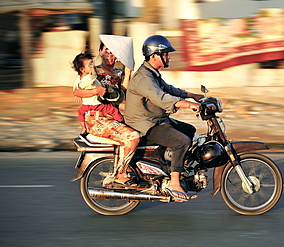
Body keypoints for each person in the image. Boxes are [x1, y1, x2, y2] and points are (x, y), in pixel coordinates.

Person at [125, 35, 203, 201]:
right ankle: (174, 182)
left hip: (156, 118)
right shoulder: (143, 78)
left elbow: (169, 89)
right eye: (165, 54)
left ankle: (175, 165)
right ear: (154, 56)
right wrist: (188, 105)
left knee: (190, 130)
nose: (168, 57)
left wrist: (192, 95)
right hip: (146, 123)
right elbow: (160, 98)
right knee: (182, 141)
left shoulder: (152, 73)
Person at [73, 36, 139, 188]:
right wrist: (94, 91)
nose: (110, 55)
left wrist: (128, 73)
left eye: (114, 53)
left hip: (112, 118)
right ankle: (120, 174)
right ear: (100, 52)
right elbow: (77, 91)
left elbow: (123, 94)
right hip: (97, 119)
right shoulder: (93, 70)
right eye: (107, 51)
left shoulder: (118, 72)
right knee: (132, 137)